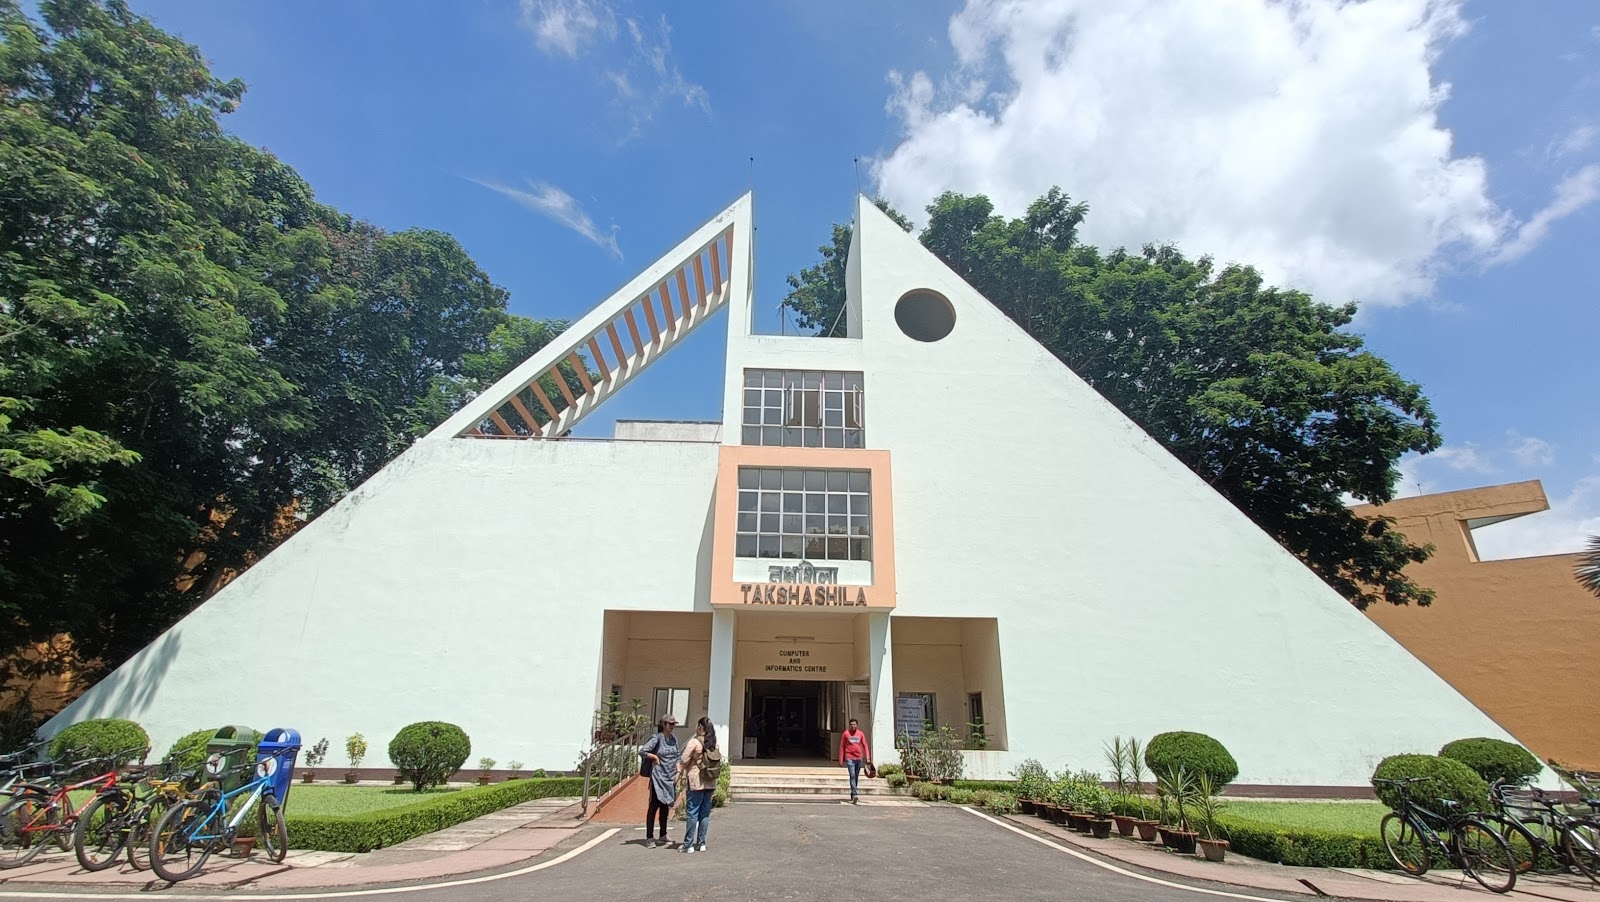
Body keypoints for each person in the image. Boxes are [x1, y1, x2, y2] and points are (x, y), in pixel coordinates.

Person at [678, 716, 719, 854]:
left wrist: (682, 768)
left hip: (696, 780)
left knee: (692, 812)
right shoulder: (714, 743)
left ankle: (688, 844)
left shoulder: (694, 742)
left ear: (700, 727)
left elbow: (684, 758)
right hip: (710, 781)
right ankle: (701, 843)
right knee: (705, 813)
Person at [639, 715, 681, 847]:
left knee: (665, 806)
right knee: (654, 806)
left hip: (670, 777)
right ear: (663, 724)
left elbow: (678, 755)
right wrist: (654, 757)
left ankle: (663, 833)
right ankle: (649, 837)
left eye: (674, 724)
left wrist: (678, 771)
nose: (672, 726)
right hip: (658, 777)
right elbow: (643, 751)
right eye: (670, 724)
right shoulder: (656, 738)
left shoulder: (673, 739)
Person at [838, 718, 871, 804]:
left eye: (854, 725)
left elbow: (865, 745)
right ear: (850, 725)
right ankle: (855, 794)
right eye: (851, 725)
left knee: (856, 776)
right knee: (852, 775)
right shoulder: (846, 734)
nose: (853, 726)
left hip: (858, 758)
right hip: (850, 758)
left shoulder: (860, 734)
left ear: (857, 725)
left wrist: (868, 757)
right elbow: (842, 746)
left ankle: (853, 794)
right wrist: (841, 759)